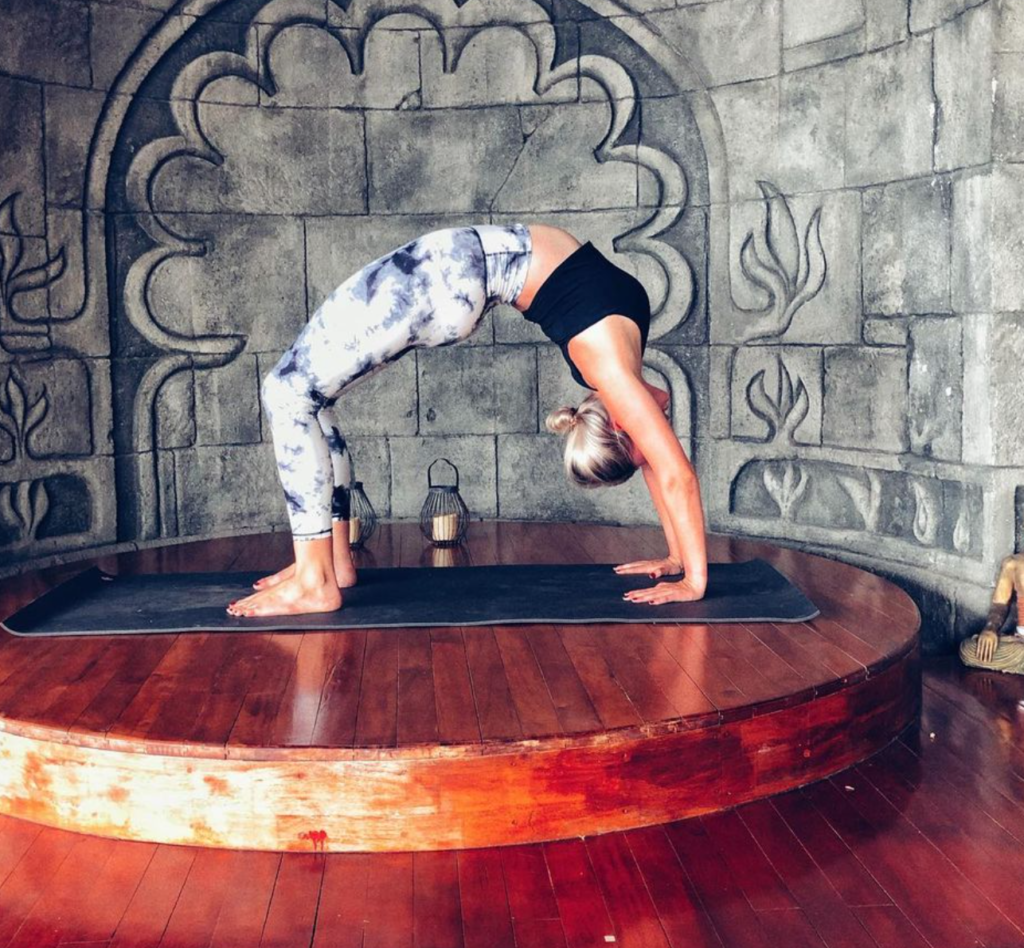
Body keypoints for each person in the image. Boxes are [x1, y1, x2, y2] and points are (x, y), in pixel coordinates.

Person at [227, 223, 707, 617]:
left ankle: (318, 578)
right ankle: (328, 566)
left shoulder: (616, 357)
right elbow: (675, 474)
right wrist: (689, 575)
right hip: (451, 273)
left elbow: (662, 467)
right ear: (623, 429)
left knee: (290, 392)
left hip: (451, 272)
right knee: (301, 394)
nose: (653, 442)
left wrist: (681, 561)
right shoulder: (616, 375)